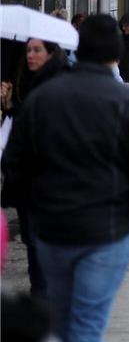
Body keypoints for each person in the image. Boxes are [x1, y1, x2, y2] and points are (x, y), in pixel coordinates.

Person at [2, 15, 129, 342]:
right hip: (107, 231)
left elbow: (14, 162)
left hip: (53, 229)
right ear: (115, 54)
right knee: (88, 322)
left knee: (61, 317)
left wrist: (32, 208)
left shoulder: (43, 98)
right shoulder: (126, 103)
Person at [1, 38, 69, 297]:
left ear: (51, 53)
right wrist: (8, 105)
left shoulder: (60, 82)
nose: (31, 55)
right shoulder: (26, 79)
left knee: (47, 241)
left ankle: (48, 295)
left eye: (37, 50)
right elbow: (21, 124)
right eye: (28, 50)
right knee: (32, 242)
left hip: (51, 178)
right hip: (27, 178)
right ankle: (40, 294)